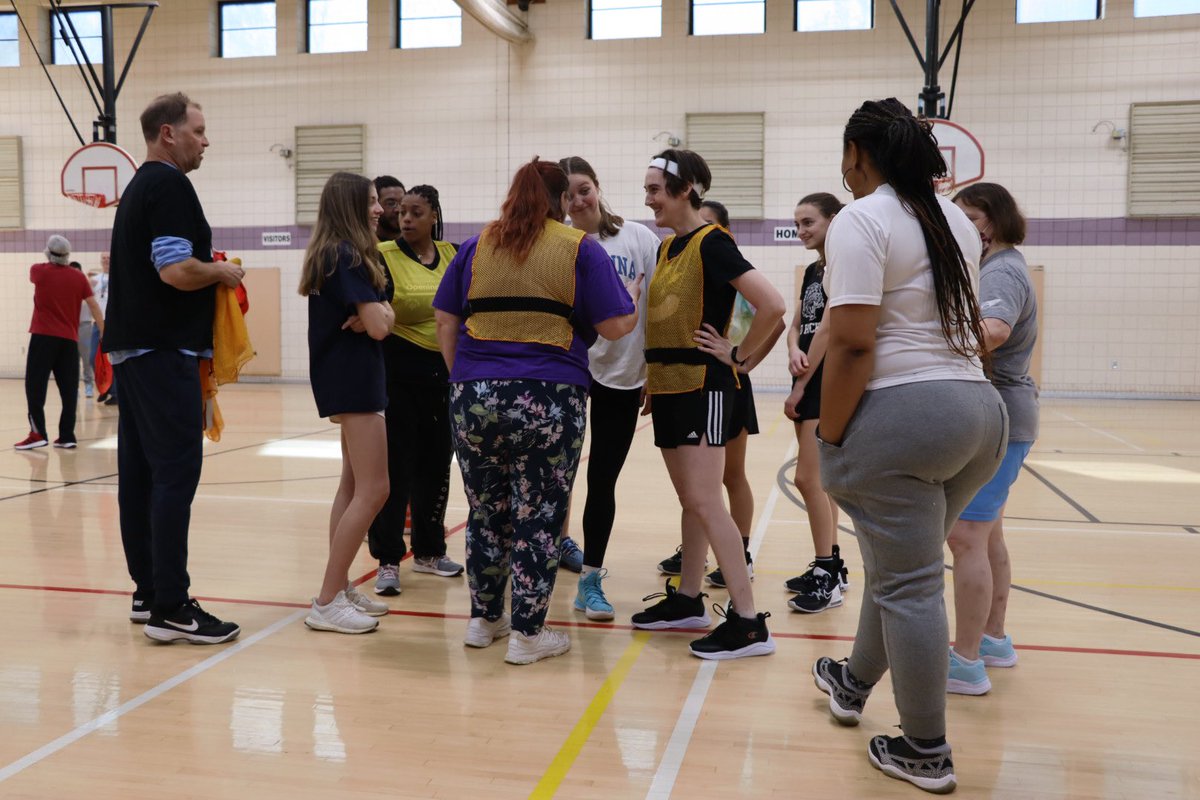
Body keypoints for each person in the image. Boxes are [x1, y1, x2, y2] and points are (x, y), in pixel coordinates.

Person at [809, 98, 1006, 794]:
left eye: (845, 157)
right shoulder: (954, 217)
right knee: (903, 571)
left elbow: (855, 342)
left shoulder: (861, 218)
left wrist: (829, 434)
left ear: (859, 155)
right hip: (980, 414)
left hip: (906, 413)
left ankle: (924, 747)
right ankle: (854, 681)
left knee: (910, 583)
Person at [433, 157, 638, 665]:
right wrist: (629, 300)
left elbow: (444, 318)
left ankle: (484, 620)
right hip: (548, 398)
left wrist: (468, 377)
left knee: (486, 512)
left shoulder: (477, 245)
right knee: (539, 515)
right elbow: (614, 327)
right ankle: (528, 633)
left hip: (474, 396)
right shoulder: (578, 248)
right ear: (562, 200)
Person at [633, 149, 785, 661]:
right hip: (671, 385)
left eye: (655, 188)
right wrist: (653, 378)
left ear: (685, 189)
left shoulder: (712, 243)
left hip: (705, 387)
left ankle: (747, 621)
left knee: (705, 499)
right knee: (692, 501)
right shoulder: (666, 248)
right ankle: (689, 599)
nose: (648, 197)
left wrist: (739, 357)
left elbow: (773, 305)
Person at [105, 93, 245, 644]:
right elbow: (175, 270)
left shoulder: (139, 186)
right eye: (199, 131)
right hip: (162, 351)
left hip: (135, 351)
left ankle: (147, 592)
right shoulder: (168, 185)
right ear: (169, 134)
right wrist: (222, 271)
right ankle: (171, 606)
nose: (205, 141)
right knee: (175, 474)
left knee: (140, 476)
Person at [655, 199, 784, 591]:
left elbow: (775, 318)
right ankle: (694, 575)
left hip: (724, 384)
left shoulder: (725, 261)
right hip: (689, 382)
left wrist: (741, 357)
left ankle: (739, 552)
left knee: (727, 479)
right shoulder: (685, 264)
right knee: (700, 492)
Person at [945, 183, 1038, 695]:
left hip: (1001, 414)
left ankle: (966, 659)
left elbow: (994, 330)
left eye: (971, 217)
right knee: (989, 535)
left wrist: (936, 346)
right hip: (1010, 414)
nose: (964, 227)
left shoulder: (1001, 269)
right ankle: (993, 637)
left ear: (994, 221)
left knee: (965, 539)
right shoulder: (1000, 265)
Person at [558, 155, 660, 620]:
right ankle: (548, 552)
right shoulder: (558, 245)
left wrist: (655, 370)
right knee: (554, 476)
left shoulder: (637, 237)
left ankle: (590, 580)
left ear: (597, 187)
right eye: (566, 194)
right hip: (567, 373)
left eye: (583, 189)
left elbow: (659, 307)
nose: (577, 200)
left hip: (622, 374)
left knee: (602, 479)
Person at [300, 171, 395, 634]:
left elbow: (380, 315)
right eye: (373, 201)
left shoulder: (337, 253)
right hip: (354, 379)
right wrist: (375, 313)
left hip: (350, 377)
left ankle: (338, 588)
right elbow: (381, 325)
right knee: (376, 489)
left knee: (353, 484)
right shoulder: (346, 254)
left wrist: (377, 312)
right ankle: (325, 601)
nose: (380, 209)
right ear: (351, 206)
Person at [369, 184, 464, 597]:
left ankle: (429, 551)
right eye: (402, 211)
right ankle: (388, 560)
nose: (406, 218)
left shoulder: (453, 254)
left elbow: (464, 310)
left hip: (443, 375)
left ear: (433, 216)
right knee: (395, 471)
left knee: (436, 466)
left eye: (416, 212)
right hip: (396, 373)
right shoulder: (383, 255)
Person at [782, 193, 850, 614]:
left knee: (808, 480)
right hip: (806, 375)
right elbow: (799, 324)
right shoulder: (812, 269)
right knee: (821, 481)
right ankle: (834, 565)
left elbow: (826, 330)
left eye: (810, 222)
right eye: (799, 224)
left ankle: (827, 574)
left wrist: (800, 386)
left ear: (834, 221)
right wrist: (792, 347)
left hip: (823, 382)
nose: (803, 231)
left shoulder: (843, 265)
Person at [16, 236, 104, 450]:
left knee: (35, 386)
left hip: (43, 337)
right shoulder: (79, 277)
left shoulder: (39, 271)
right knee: (69, 389)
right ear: (68, 254)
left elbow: (40, 272)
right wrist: (104, 332)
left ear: (48, 253)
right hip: (68, 340)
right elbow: (93, 305)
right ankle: (67, 435)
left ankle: (38, 433)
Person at [92, 254, 118, 406]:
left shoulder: (118, 276)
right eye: (103, 258)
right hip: (98, 323)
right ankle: (104, 388)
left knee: (113, 359)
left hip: (112, 323)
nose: (106, 260)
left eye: (109, 258)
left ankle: (114, 392)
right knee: (92, 358)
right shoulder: (95, 279)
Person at [74, 261, 97, 399]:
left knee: (86, 358)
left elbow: (99, 275)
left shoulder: (88, 286)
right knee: (72, 360)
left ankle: (88, 385)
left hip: (85, 325)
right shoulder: (67, 288)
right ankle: (74, 387)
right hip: (71, 326)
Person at [374, 175, 407, 243]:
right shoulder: (362, 248)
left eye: (402, 202)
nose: (398, 209)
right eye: (391, 203)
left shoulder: (416, 245)